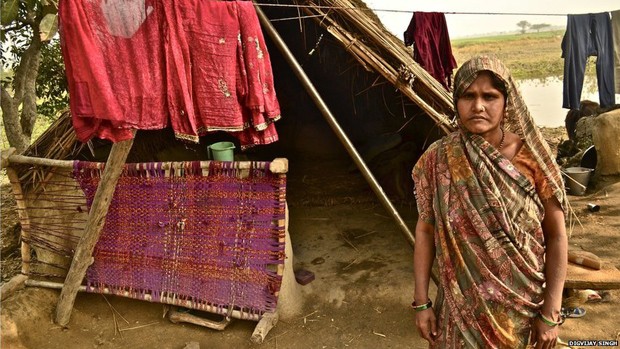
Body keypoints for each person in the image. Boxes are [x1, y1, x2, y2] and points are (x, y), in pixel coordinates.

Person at [411, 56, 568, 349]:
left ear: (507, 102)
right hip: (459, 311)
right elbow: (425, 231)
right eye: (468, 96)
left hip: (521, 309)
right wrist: (422, 303)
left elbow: (557, 235)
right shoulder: (438, 158)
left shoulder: (533, 158)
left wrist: (551, 312)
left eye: (490, 96)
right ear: (456, 102)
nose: (478, 106)